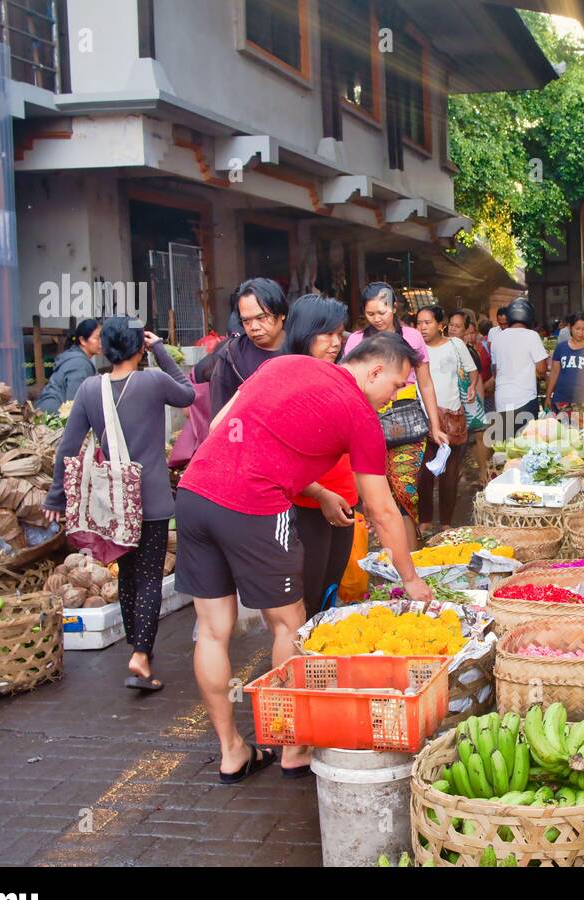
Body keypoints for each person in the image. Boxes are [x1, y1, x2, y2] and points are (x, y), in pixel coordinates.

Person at [176, 334, 432, 784]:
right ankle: (292, 747)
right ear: (374, 372)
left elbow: (221, 425)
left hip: (196, 493)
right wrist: (410, 578)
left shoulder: (285, 366)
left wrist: (315, 491)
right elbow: (381, 509)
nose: (394, 397)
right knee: (288, 623)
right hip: (253, 506)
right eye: (395, 386)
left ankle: (232, 751)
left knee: (214, 631)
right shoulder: (361, 416)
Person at [45, 318, 195, 692]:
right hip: (153, 500)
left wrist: (56, 496)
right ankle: (141, 655)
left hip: (112, 504)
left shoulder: (89, 388)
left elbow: (69, 446)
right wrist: (159, 347)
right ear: (138, 347)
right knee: (147, 579)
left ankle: (137, 648)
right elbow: (188, 393)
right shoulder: (152, 381)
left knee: (127, 574)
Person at [342, 282, 449, 547]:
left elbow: (425, 382)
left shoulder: (412, 337)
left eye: (382, 311)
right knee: (378, 494)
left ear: (394, 308)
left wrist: (434, 425)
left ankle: (409, 558)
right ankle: (391, 559)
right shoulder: (356, 340)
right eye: (370, 314)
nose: (377, 319)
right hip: (368, 421)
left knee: (405, 492)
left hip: (407, 421)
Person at [284, 294, 360, 619]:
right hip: (308, 503)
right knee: (309, 595)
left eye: (338, 333)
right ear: (304, 332)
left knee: (331, 586)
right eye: (325, 334)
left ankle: (321, 660)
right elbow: (285, 458)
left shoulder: (338, 376)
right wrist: (319, 493)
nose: (334, 342)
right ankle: (303, 664)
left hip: (343, 496)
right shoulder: (288, 380)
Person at [417, 305, 479, 536]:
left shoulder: (456, 345)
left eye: (427, 323)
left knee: (449, 475)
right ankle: (424, 521)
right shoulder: (415, 347)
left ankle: (445, 523)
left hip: (452, 417)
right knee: (423, 475)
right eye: (419, 323)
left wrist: (472, 386)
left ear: (440, 325)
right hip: (423, 418)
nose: (422, 328)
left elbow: (472, 370)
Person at [194, 277, 288, 417]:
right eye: (246, 321)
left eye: (261, 318)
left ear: (281, 314)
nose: (254, 327)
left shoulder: (300, 348)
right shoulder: (231, 357)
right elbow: (221, 421)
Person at [488, 297, 549, 442]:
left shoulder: (497, 338)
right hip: (525, 398)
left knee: (506, 446)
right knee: (526, 444)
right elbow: (541, 369)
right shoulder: (532, 336)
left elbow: (495, 371)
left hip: (502, 399)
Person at [449, 309, 492, 480]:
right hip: (451, 404)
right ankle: (455, 474)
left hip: (470, 401)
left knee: (479, 435)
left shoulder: (469, 352)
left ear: (465, 331)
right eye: (451, 325)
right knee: (458, 442)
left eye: (457, 326)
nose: (453, 329)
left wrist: (479, 404)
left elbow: (478, 380)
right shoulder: (443, 348)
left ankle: (483, 474)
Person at [34, 319, 101, 414]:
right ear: (82, 340)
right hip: (53, 416)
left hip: (44, 410)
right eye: (97, 338)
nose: (101, 342)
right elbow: (75, 404)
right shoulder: (80, 364)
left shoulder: (72, 356)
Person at [546, 314, 584, 413]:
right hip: (561, 399)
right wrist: (548, 396)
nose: (581, 332)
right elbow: (554, 373)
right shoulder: (561, 348)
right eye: (577, 329)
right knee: (561, 428)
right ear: (570, 327)